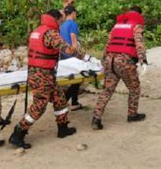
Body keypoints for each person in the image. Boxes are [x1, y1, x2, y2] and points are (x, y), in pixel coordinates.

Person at [8, 9, 97, 149]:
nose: (63, 22)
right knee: (39, 106)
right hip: (42, 75)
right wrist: (87, 58)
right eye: (61, 19)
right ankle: (18, 133)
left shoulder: (38, 30)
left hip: (40, 73)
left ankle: (63, 128)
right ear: (56, 19)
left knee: (60, 99)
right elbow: (67, 49)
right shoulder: (51, 33)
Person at [92, 6, 148, 130]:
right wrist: (143, 60)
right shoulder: (137, 25)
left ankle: (96, 117)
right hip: (124, 61)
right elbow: (139, 43)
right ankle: (132, 115)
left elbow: (108, 43)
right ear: (139, 14)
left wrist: (103, 59)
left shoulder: (117, 25)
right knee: (134, 88)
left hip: (110, 60)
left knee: (107, 90)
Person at [60, 5, 83, 111]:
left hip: (63, 54)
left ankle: (74, 101)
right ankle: (66, 100)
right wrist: (77, 51)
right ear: (73, 13)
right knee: (77, 78)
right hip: (71, 54)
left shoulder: (62, 24)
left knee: (74, 79)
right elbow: (73, 39)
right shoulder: (73, 24)